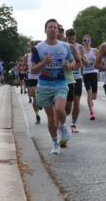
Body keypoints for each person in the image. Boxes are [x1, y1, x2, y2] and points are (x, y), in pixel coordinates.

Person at [30, 19, 75, 154]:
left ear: (58, 30)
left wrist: (69, 66)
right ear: (45, 30)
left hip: (60, 84)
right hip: (44, 86)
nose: (53, 29)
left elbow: (72, 62)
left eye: (55, 27)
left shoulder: (65, 46)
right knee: (51, 118)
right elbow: (33, 70)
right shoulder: (38, 48)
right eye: (50, 27)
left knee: (60, 109)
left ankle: (62, 127)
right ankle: (55, 143)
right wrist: (44, 62)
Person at [64, 28, 86, 133]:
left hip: (77, 78)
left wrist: (81, 58)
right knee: (68, 105)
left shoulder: (80, 47)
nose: (72, 40)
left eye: (73, 38)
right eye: (70, 39)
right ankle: (62, 120)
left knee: (76, 102)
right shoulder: (63, 46)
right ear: (66, 38)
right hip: (67, 78)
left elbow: (84, 63)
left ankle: (73, 124)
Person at [81, 34, 99, 121]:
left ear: (90, 42)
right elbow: (82, 63)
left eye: (88, 40)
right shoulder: (81, 52)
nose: (86, 42)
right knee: (89, 93)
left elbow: (101, 59)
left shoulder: (95, 50)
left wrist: (97, 61)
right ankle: (91, 112)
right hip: (86, 74)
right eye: (85, 40)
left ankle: (91, 104)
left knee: (94, 96)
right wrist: (82, 59)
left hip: (94, 73)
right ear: (83, 42)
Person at [25, 41, 41, 123]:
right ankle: (37, 115)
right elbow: (28, 66)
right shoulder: (29, 56)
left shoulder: (40, 54)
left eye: (34, 46)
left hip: (40, 77)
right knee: (33, 96)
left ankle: (40, 104)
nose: (33, 48)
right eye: (31, 46)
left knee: (38, 97)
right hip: (31, 77)